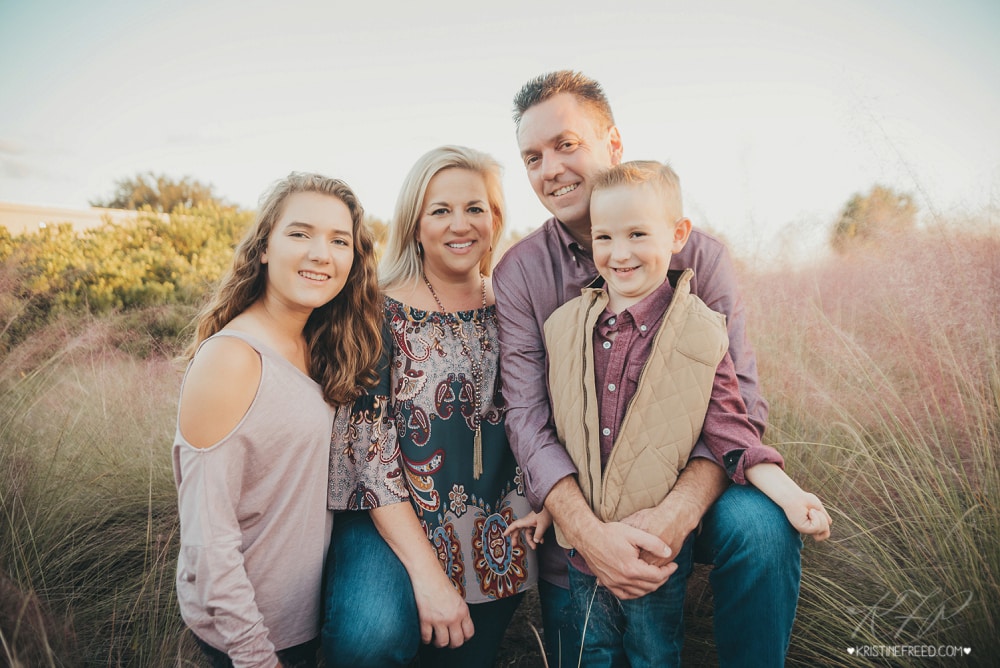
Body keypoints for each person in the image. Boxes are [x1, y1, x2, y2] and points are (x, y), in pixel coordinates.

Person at [492, 69, 805, 667]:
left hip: (691, 486)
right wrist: (592, 535)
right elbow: (526, 421)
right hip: (582, 503)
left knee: (763, 530)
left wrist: (673, 515)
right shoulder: (522, 274)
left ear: (613, 143)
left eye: (566, 144)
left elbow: (739, 403)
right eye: (532, 157)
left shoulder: (700, 257)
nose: (550, 168)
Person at [321, 145, 537, 668]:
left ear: (496, 219)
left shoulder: (517, 304)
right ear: (415, 225)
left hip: (493, 523)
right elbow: (368, 460)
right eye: (440, 210)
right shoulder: (377, 309)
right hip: (390, 516)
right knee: (368, 640)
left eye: (474, 208)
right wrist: (428, 576)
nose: (459, 224)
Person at [172, 173, 387, 667]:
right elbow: (209, 540)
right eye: (300, 233)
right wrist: (255, 656)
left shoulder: (316, 346)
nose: (321, 254)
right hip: (248, 636)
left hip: (303, 622)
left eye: (339, 240)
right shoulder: (233, 359)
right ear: (264, 247)